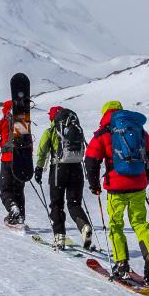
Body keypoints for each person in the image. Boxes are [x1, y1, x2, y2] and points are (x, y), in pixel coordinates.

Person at [83, 100, 149, 281]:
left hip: (116, 188)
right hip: (138, 186)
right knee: (140, 222)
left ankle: (121, 263)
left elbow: (91, 160)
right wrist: (145, 177)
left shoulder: (104, 132)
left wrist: (94, 185)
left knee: (116, 225)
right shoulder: (138, 130)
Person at [33, 106, 94, 249]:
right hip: (77, 168)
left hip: (58, 169)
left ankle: (59, 236)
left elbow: (42, 150)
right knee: (74, 203)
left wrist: (39, 168)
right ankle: (84, 226)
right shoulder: (76, 129)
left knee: (57, 204)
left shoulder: (51, 131)